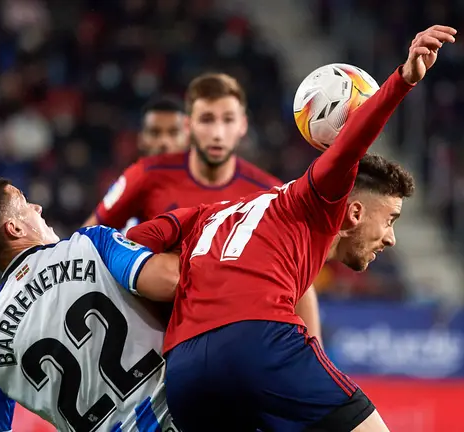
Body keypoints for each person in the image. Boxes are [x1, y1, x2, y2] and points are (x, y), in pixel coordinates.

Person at [126, 25, 456, 431]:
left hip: (184, 371)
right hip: (260, 340)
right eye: (389, 220)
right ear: (351, 212)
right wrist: (402, 80)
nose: (390, 237)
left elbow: (134, 242)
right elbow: (348, 148)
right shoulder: (314, 199)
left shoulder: (213, 211)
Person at [85, 72, 323, 341]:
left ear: (243, 125)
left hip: (232, 339)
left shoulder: (270, 193)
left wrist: (314, 353)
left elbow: (301, 281)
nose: (218, 134)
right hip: (149, 333)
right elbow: (88, 240)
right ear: (188, 125)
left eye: (228, 120)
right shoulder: (147, 175)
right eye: (207, 120)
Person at [0, 178, 181, 431]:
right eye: (25, 203)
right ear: (14, 229)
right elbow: (172, 281)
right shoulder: (91, 245)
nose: (37, 208)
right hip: (178, 416)